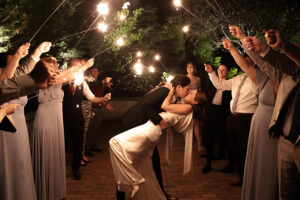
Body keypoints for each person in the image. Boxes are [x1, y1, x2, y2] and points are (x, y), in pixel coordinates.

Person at [110, 86, 206, 200]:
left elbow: (164, 106)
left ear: (195, 101)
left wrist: (170, 92)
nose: (188, 93)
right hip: (150, 128)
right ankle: (151, 193)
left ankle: (134, 182)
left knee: (114, 143)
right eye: (188, 90)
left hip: (151, 130)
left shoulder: (187, 108)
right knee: (147, 165)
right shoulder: (185, 106)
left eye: (191, 93)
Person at [224, 25, 279, 199]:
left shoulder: (283, 77)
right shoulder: (265, 78)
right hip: (258, 129)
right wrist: (236, 43)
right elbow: (247, 64)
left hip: (272, 129)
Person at [242, 33, 300, 200]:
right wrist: (247, 44)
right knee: (285, 195)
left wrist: (282, 47)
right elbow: (263, 64)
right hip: (285, 142)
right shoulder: (288, 75)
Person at [118, 74, 191, 200]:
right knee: (125, 162)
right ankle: (121, 197)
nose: (188, 91)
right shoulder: (165, 91)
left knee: (154, 161)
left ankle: (160, 193)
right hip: (133, 124)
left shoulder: (169, 93)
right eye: (187, 89)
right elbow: (145, 105)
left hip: (141, 127)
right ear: (179, 87)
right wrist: (160, 121)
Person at [31, 56, 92, 200]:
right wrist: (82, 67)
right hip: (45, 119)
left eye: (56, 64)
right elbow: (63, 77)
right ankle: (44, 192)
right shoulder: (43, 79)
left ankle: (55, 190)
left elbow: (68, 75)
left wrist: (79, 68)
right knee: (47, 153)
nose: (56, 67)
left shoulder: (57, 77)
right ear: (44, 67)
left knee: (56, 153)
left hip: (56, 119)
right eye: (52, 65)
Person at [0, 42, 51, 200]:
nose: (16, 65)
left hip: (18, 125)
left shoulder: (16, 74)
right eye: (12, 63)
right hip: (4, 126)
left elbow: (23, 71)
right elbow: (4, 83)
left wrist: (36, 53)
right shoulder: (3, 77)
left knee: (21, 164)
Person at [204, 60, 258, 186]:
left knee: (245, 149)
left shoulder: (258, 78)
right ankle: (241, 178)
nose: (243, 63)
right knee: (234, 149)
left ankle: (250, 179)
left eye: (248, 62)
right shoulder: (237, 79)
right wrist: (211, 72)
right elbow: (220, 85)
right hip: (233, 117)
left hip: (247, 117)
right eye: (243, 61)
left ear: (254, 64)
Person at [62, 58, 110, 180]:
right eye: (76, 68)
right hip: (62, 117)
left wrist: (103, 99)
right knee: (63, 143)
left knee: (78, 143)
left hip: (78, 116)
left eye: (80, 68)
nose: (79, 71)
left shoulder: (82, 83)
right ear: (68, 68)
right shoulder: (61, 81)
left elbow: (92, 98)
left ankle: (76, 168)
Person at [202, 64, 231, 173]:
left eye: (223, 70)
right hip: (211, 111)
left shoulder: (230, 85)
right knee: (210, 137)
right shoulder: (212, 82)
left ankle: (229, 163)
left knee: (224, 137)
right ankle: (208, 164)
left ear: (227, 72)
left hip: (223, 113)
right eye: (219, 70)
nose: (221, 72)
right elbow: (206, 96)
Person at [186, 62, 203, 152]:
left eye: (191, 67)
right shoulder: (185, 78)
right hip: (187, 102)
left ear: (194, 68)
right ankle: (188, 143)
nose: (190, 69)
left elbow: (200, 91)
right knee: (188, 123)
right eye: (188, 67)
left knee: (196, 123)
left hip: (196, 102)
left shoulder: (197, 79)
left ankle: (199, 144)